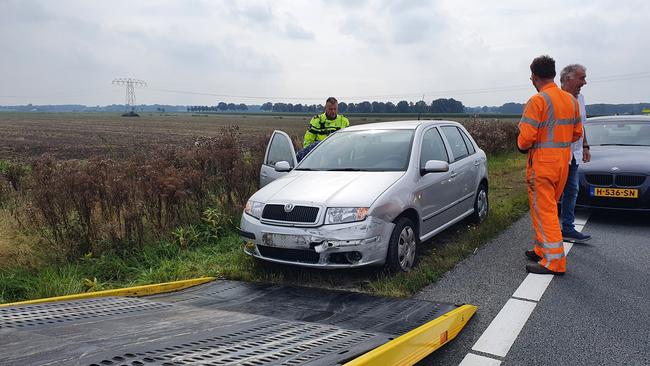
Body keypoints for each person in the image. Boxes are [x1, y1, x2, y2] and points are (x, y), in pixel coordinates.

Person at [518, 55, 583, 275]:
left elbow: (525, 139)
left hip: (542, 165)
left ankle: (554, 262)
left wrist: (524, 144)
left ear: (534, 77)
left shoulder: (537, 101)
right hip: (562, 164)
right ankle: (541, 248)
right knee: (546, 208)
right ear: (553, 74)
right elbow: (577, 134)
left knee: (544, 211)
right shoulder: (570, 100)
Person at [559, 64, 592, 242]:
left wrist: (586, 146)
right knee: (554, 195)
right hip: (557, 155)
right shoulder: (555, 98)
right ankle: (547, 234)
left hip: (574, 154)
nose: (584, 82)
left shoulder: (581, 98)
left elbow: (581, 125)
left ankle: (567, 228)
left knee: (572, 190)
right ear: (567, 79)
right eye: (581, 78)